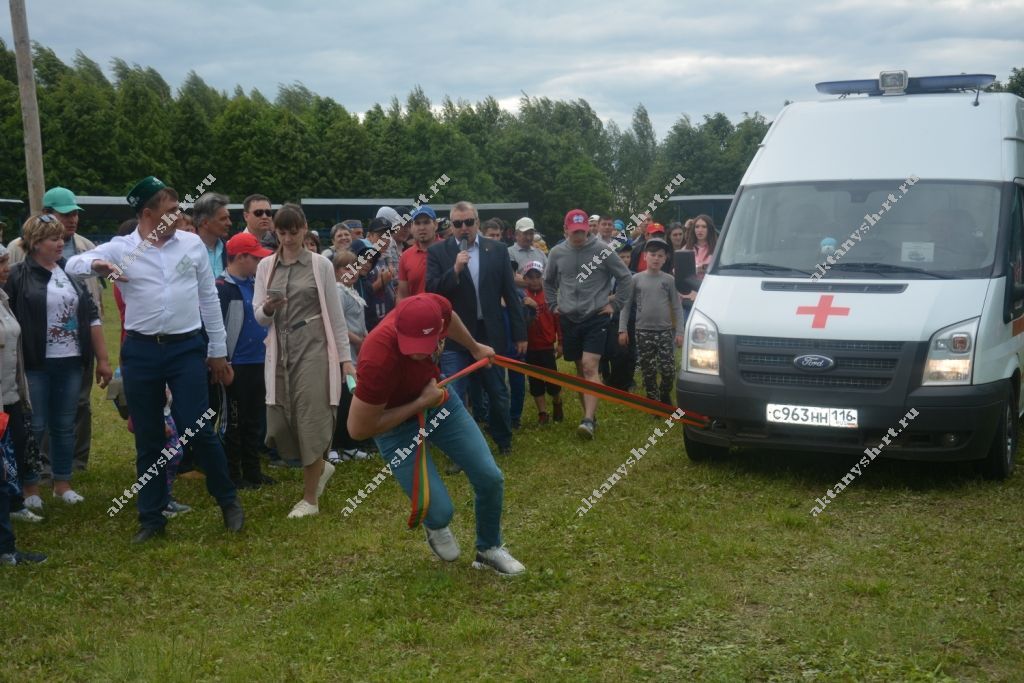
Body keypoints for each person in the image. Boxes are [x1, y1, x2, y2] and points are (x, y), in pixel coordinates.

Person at [66, 175, 245, 543]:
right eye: (169, 212)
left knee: (196, 426)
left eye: (178, 210)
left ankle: (227, 500)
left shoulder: (191, 245)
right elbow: (74, 264)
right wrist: (97, 265)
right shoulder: (121, 248)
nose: (178, 218)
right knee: (148, 436)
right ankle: (151, 517)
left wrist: (217, 351)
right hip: (142, 351)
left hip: (185, 348)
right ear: (147, 214)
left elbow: (209, 299)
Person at [347, 293, 526, 575]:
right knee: (440, 511)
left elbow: (449, 315)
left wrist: (474, 346)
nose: (418, 352)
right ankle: (435, 524)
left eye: (424, 345)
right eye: (410, 345)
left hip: (441, 402)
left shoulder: (434, 307)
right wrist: (420, 403)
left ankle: (489, 549)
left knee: (489, 476)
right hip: (393, 425)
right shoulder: (377, 357)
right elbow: (359, 429)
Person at [252, 203, 354, 519]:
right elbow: (259, 317)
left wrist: (346, 360)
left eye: (294, 231)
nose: (289, 238)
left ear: (304, 228)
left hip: (315, 349)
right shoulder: (265, 267)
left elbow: (335, 316)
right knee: (282, 423)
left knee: (312, 418)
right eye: (282, 232)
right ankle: (320, 468)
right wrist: (269, 308)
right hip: (280, 351)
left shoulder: (320, 265)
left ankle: (310, 499)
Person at [4, 214, 112, 507]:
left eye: (62, 238)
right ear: (35, 243)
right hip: (36, 364)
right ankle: (30, 487)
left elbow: (92, 317)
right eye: (54, 238)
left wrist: (103, 359)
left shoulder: (70, 273)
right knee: (35, 426)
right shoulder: (16, 276)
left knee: (65, 425)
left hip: (71, 362)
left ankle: (62, 483)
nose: (61, 243)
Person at [425, 201, 527, 455]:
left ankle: (503, 442)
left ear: (477, 223)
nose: (463, 228)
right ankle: (459, 451)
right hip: (456, 337)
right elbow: (432, 291)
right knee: (455, 395)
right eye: (458, 224)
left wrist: (520, 333)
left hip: (490, 333)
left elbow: (510, 294)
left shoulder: (498, 249)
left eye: (468, 222)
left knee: (497, 391)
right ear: (451, 226)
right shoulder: (439, 252)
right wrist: (455, 270)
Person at [543, 209, 632, 439]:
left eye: (582, 232)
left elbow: (625, 277)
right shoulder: (556, 253)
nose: (579, 236)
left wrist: (616, 305)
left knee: (591, 366)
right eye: (574, 232)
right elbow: (548, 281)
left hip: (596, 315)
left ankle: (588, 420)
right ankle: (589, 414)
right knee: (581, 370)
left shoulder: (603, 251)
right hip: (570, 317)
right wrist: (554, 305)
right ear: (565, 230)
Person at [217, 232, 275, 489]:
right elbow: (215, 327)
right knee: (234, 421)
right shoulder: (222, 289)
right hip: (234, 365)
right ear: (240, 257)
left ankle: (253, 470)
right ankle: (231, 472)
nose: (259, 262)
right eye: (254, 258)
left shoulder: (254, 284)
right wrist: (220, 361)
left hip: (259, 361)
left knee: (253, 418)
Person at [0, 243, 41, 523]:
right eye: (1, 264)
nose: (7, 268)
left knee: (14, 445)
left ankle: (14, 503)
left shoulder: (3, 298)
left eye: (6, 262)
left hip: (10, 391)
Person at [619, 238, 685, 405]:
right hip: (643, 331)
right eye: (653, 254)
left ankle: (664, 393)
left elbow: (677, 307)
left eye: (660, 255)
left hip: (665, 331)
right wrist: (622, 329)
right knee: (648, 370)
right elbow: (626, 306)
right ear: (645, 257)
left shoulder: (669, 280)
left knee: (668, 370)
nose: (656, 258)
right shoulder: (636, 279)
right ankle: (653, 400)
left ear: (665, 259)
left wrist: (680, 332)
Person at [328, 251, 370, 463]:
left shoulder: (351, 291)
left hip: (355, 354)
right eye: (346, 267)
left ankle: (349, 444)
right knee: (340, 400)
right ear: (336, 271)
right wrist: (359, 341)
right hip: (343, 355)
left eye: (355, 266)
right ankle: (334, 445)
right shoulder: (338, 291)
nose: (352, 271)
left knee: (350, 399)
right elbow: (338, 325)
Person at [521, 261, 563, 424]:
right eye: (530, 277)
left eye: (538, 277)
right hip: (530, 346)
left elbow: (558, 320)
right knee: (535, 381)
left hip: (547, 346)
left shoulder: (550, 295)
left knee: (552, 379)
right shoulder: (522, 296)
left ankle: (557, 401)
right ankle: (542, 412)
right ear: (524, 278)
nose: (534, 281)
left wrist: (561, 342)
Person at [601, 242, 637, 391]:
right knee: (614, 351)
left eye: (628, 256)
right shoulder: (610, 276)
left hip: (632, 317)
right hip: (613, 317)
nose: (626, 259)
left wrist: (612, 298)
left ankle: (628, 381)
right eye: (622, 257)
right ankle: (612, 380)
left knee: (631, 352)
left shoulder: (634, 276)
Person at [396, 205, 438, 303]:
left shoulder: (449, 249)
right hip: (416, 316)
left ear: (435, 225)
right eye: (417, 223)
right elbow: (402, 296)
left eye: (426, 222)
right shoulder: (405, 256)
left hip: (445, 315)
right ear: (412, 227)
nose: (422, 228)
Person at [194, 192, 231, 278]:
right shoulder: (186, 249)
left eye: (228, 218)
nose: (229, 223)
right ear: (205, 222)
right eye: (223, 219)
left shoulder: (230, 249)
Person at [682, 214, 718, 305]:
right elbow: (678, 271)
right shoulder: (686, 248)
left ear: (709, 229)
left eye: (704, 227)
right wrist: (700, 268)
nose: (700, 230)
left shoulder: (718, 249)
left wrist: (697, 268)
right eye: (697, 227)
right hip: (689, 297)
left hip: (711, 294)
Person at [509, 217, 547, 287]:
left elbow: (549, 276)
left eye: (531, 234)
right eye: (525, 234)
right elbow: (511, 278)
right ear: (516, 234)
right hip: (519, 296)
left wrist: (525, 281)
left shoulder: (540, 253)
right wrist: (538, 281)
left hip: (540, 296)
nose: (529, 237)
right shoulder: (508, 253)